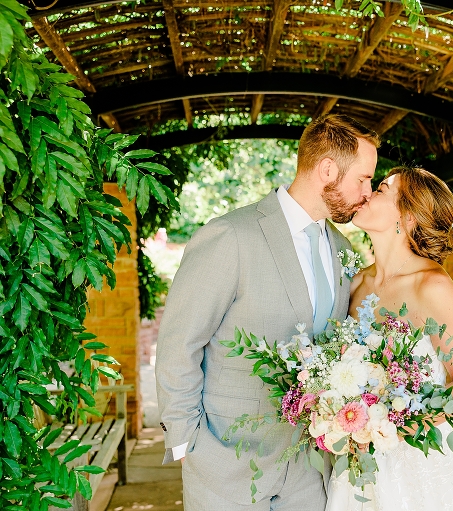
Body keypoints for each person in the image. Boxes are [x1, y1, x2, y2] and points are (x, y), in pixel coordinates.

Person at [155, 114, 380, 510]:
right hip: (226, 464)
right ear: (328, 170)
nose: (368, 191)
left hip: (310, 472)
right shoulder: (230, 236)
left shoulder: (343, 250)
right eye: (363, 178)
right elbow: (179, 343)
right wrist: (185, 442)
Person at [325, 166, 453, 511]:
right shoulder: (356, 283)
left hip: (423, 464)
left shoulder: (432, 287)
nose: (368, 192)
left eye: (381, 188)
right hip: (361, 462)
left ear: (408, 216)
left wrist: (402, 425)